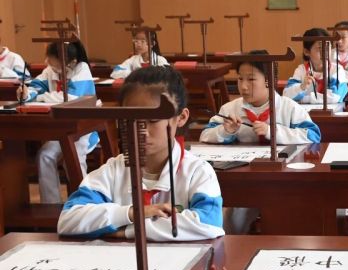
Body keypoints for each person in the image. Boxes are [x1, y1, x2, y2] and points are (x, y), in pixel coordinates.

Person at [58, 65, 224, 240]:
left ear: (181, 117)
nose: (142, 130)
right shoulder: (113, 170)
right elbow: (68, 219)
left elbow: (209, 223)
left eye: (153, 120)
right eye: (132, 119)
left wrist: (127, 231)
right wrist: (132, 213)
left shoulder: (197, 172)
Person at [18, 40, 98, 203]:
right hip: (62, 129)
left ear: (70, 62)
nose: (49, 65)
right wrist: (26, 94)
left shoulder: (82, 69)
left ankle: (85, 203)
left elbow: (71, 99)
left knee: (72, 160)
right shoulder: (50, 70)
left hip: (83, 130)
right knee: (45, 156)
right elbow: (35, 87)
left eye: (53, 63)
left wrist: (42, 97)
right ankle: (51, 204)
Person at [200, 50, 321, 145]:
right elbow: (204, 135)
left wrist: (272, 132)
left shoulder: (289, 108)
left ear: (268, 80)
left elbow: (313, 135)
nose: (243, 86)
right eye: (240, 78)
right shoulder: (229, 109)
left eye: (251, 79)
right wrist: (226, 131)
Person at [284, 27, 348, 104]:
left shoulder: (337, 69)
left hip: (332, 111)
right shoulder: (301, 70)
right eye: (320, 48)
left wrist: (303, 99)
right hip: (305, 111)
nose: (325, 52)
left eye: (328, 47)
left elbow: (334, 97)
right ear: (307, 52)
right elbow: (286, 95)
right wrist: (302, 87)